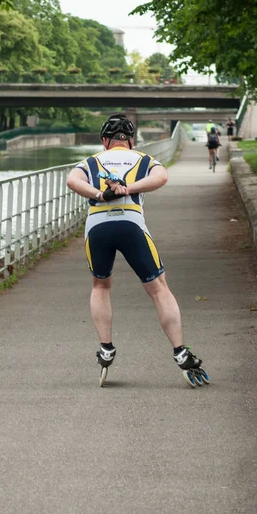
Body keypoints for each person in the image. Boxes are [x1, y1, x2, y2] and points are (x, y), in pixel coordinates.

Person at [66, 113, 207, 387]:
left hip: (97, 227)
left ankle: (106, 347)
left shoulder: (91, 161)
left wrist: (99, 194)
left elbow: (72, 181)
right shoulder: (143, 159)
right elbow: (161, 177)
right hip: (131, 223)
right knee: (158, 288)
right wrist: (128, 188)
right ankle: (180, 351)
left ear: (104, 141)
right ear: (130, 141)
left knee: (100, 286)